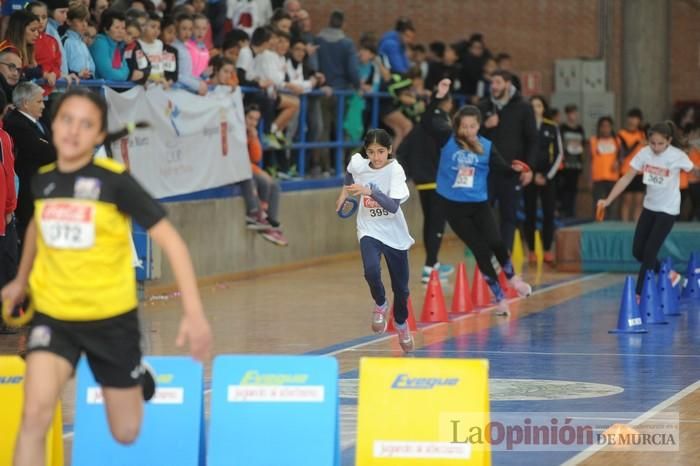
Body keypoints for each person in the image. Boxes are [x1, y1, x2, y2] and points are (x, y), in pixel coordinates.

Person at [1, 88, 213, 466]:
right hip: (55, 315)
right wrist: (21, 277)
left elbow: (173, 242)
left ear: (99, 136)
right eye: (67, 119)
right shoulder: (44, 180)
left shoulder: (115, 182)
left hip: (110, 319)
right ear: (54, 124)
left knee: (125, 431)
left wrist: (194, 313)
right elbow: (36, 227)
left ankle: (138, 375)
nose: (73, 130)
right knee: (34, 416)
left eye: (86, 124)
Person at [431, 79, 533, 315]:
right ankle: (499, 299)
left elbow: (502, 169)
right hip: (453, 207)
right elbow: (428, 120)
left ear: (479, 126)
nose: (468, 131)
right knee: (480, 250)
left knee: (496, 242)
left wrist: (516, 170)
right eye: (464, 126)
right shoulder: (448, 141)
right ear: (457, 126)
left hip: (478, 204)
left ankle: (514, 280)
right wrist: (438, 96)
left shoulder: (486, 146)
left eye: (472, 126)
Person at [597, 121, 700, 298]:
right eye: (652, 143)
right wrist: (608, 200)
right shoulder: (644, 153)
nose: (656, 147)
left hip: (667, 211)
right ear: (648, 140)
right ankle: (669, 274)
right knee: (638, 252)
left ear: (668, 141)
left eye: (660, 144)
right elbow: (626, 178)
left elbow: (694, 170)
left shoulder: (677, 156)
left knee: (650, 252)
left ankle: (638, 295)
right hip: (649, 208)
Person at [335, 129, 415, 352]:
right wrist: (344, 193)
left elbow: (393, 206)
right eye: (371, 152)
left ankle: (400, 323)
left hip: (394, 234)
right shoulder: (359, 163)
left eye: (381, 151)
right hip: (369, 229)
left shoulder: (395, 170)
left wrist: (368, 191)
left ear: (389, 150)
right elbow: (350, 174)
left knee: (402, 289)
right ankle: (380, 303)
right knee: (371, 270)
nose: (376, 157)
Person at [396, 84, 454, 283]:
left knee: (430, 221)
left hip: (422, 183)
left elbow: (401, 151)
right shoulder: (443, 128)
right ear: (447, 104)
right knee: (436, 223)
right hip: (438, 182)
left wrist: (409, 174)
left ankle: (434, 263)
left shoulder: (418, 128)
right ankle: (429, 266)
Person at [524, 95, 562, 264]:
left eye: (538, 105)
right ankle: (531, 251)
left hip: (548, 178)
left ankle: (547, 250)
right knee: (529, 214)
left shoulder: (552, 127)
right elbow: (521, 152)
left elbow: (560, 153)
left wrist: (547, 176)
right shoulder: (524, 127)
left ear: (543, 108)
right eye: (532, 106)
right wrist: (529, 174)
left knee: (548, 214)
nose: (535, 109)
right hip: (529, 177)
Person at [618, 108, 646, 221]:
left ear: (639, 120)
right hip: (626, 171)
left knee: (639, 201)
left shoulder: (643, 134)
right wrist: (637, 143)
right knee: (627, 200)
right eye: (630, 117)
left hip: (640, 172)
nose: (632, 120)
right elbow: (623, 152)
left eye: (635, 118)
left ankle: (636, 225)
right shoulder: (621, 134)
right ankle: (625, 224)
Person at [589, 116, 620, 218]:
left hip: (613, 178)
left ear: (611, 127)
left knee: (613, 206)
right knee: (599, 206)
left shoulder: (617, 141)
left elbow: (622, 157)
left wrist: (618, 162)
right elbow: (590, 160)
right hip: (598, 178)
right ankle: (598, 226)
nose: (605, 129)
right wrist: (590, 179)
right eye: (603, 126)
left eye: (608, 126)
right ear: (599, 128)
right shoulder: (593, 141)